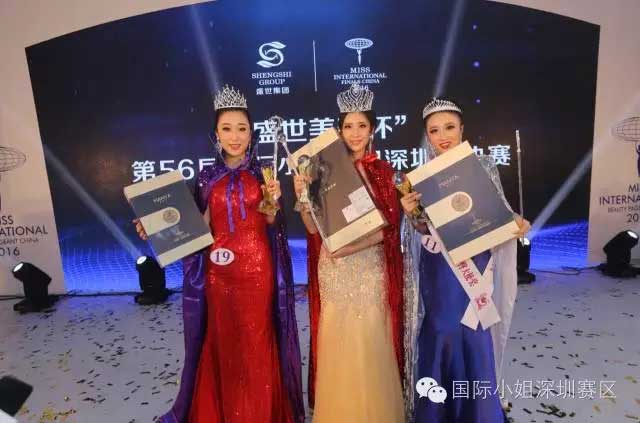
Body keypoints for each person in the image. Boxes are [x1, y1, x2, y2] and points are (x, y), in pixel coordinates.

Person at [136, 85, 304, 423]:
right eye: (227, 129)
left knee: (257, 339)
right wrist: (155, 229)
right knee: (224, 340)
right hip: (219, 274)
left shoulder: (264, 173)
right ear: (216, 134)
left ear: (251, 132)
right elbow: (197, 229)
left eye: (242, 128)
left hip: (257, 271)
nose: (235, 136)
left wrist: (274, 200)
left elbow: (272, 224)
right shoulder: (206, 178)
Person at [401, 97, 530, 422]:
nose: (443, 136)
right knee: (442, 328)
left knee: (474, 331)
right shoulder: (420, 178)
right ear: (427, 136)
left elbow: (499, 212)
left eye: (449, 127)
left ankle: (479, 412)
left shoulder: (482, 166)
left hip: (477, 262)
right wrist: (412, 214)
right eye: (434, 130)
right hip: (440, 267)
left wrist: (516, 222)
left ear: (462, 129)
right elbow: (420, 228)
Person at [294, 84, 405, 422]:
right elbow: (313, 230)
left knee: (370, 337)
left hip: (368, 267)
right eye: (348, 126)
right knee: (336, 339)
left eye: (362, 125)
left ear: (373, 129)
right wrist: (303, 196)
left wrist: (350, 247)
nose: (355, 133)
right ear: (338, 130)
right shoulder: (322, 170)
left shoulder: (383, 172)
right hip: (334, 269)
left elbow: (388, 230)